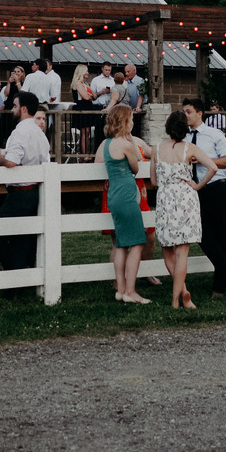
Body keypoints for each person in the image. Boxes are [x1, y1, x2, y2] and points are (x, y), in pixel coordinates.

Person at [149, 112, 218, 310]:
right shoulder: (190, 148)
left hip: (165, 199)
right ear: (185, 129)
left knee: (168, 251)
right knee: (182, 252)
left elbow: (154, 181)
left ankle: (180, 294)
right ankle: (178, 298)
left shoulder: (157, 150)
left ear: (167, 127)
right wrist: (197, 185)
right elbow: (213, 167)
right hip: (186, 198)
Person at [182, 98, 226, 298]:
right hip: (194, 191)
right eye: (183, 112)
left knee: (221, 238)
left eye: (188, 112)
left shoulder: (213, 134)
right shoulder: (182, 137)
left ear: (199, 113)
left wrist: (203, 160)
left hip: (216, 189)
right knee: (201, 235)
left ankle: (219, 288)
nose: (185, 115)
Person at [0, 92, 50, 297]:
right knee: (22, 242)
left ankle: (17, 274)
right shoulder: (39, 133)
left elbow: (12, 162)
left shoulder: (20, 131)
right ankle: (16, 288)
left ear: (23, 108)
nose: (12, 109)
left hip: (19, 193)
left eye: (14, 106)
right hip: (34, 192)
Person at [96, 104, 153, 304]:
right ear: (124, 122)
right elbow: (136, 167)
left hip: (113, 195)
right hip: (128, 195)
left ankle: (120, 289)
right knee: (137, 243)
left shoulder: (108, 143)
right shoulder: (127, 144)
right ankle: (130, 291)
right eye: (131, 120)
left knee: (121, 243)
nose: (133, 123)